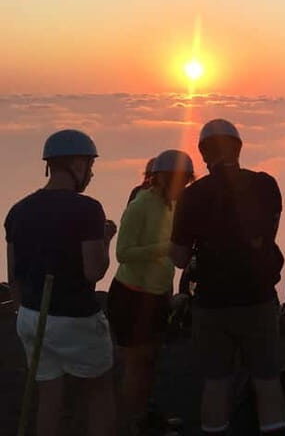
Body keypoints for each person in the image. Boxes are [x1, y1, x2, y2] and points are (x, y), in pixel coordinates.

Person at [170, 119, 285, 436]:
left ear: (204, 153)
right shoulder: (266, 185)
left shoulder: (193, 196)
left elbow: (179, 258)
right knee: (266, 378)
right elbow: (269, 234)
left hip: (212, 303)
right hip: (259, 298)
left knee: (216, 381)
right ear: (238, 148)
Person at [4, 129, 116, 436]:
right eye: (90, 166)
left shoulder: (18, 210)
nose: (91, 173)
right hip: (75, 317)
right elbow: (94, 271)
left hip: (31, 314)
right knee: (99, 393)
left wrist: (20, 313)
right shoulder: (88, 209)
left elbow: (13, 273)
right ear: (77, 165)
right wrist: (105, 240)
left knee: (48, 396)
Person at [109, 149, 195, 435]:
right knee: (136, 365)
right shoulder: (141, 204)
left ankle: (144, 417)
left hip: (156, 296)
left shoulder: (172, 206)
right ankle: (131, 423)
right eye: (180, 181)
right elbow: (123, 252)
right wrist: (165, 249)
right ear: (164, 179)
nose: (183, 187)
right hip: (132, 295)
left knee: (150, 361)